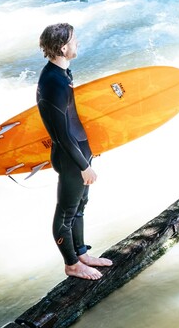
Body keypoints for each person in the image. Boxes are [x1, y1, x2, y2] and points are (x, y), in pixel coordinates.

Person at [36, 23, 114, 280]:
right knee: (66, 212)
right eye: (74, 40)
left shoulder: (62, 74)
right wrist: (83, 165)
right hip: (70, 158)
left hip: (80, 150)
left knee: (81, 205)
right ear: (62, 47)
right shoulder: (53, 83)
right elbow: (61, 135)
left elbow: (74, 121)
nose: (77, 43)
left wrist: (91, 150)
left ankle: (81, 253)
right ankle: (71, 264)